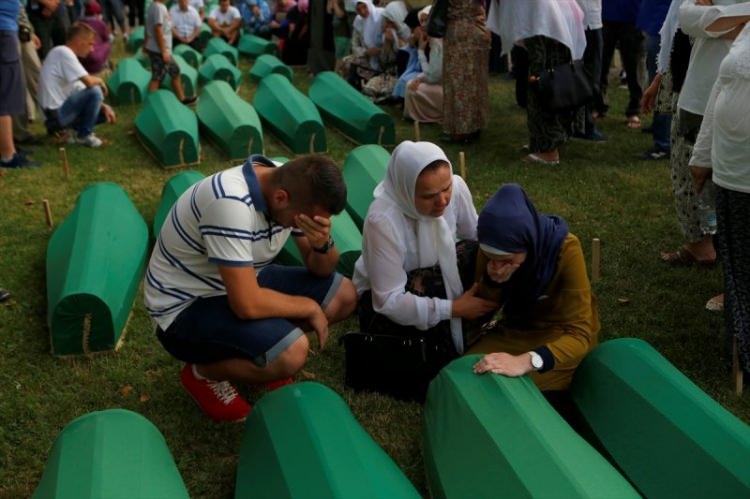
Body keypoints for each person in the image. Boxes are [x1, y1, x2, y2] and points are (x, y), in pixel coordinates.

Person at [145, 154, 358, 422]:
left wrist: (322, 243)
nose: (302, 228)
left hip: (244, 277)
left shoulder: (290, 184)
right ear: (281, 198)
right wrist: (308, 306)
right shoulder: (229, 203)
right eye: (302, 222)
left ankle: (264, 353)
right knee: (292, 353)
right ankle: (203, 374)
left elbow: (321, 269)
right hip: (184, 307)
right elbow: (246, 304)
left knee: (344, 296)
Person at [352, 141, 497, 398]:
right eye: (428, 196)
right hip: (391, 295)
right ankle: (459, 325)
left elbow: (475, 236)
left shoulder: (458, 188)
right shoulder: (383, 220)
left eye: (446, 188)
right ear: (406, 190)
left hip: (438, 274)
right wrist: (453, 308)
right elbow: (389, 300)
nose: (442, 201)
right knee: (429, 359)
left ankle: (467, 324)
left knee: (486, 256)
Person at [471, 184, 599, 392]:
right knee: (471, 369)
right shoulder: (491, 248)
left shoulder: (566, 250)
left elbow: (579, 333)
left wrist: (526, 361)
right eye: (491, 258)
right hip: (517, 328)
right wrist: (494, 282)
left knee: (512, 386)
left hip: (560, 336)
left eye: (506, 260)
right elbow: (483, 308)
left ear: (527, 243)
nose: (496, 265)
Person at [660, 0, 747, 267]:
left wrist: (714, 19)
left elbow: (703, 22)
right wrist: (741, 21)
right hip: (696, 95)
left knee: (734, 185)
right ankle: (700, 245)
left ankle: (731, 259)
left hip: (737, 98)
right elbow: (686, 18)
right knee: (688, 176)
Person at [689, 13, 750, 379]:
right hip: (733, 171)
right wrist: (701, 154)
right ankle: (743, 349)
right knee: (740, 265)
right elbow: (721, 87)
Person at [489, 0, 586, 164]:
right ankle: (540, 142)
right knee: (545, 91)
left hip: (549, 45)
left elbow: (537, 32)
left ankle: (549, 151)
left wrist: (537, 72)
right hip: (555, 40)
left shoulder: (529, 4)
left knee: (543, 94)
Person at [38, 22, 116, 148]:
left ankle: (70, 133)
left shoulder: (64, 55)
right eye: (90, 44)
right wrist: (100, 81)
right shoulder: (64, 53)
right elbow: (89, 83)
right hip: (54, 116)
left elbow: (79, 88)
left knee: (103, 113)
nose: (92, 49)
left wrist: (103, 106)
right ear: (80, 42)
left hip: (56, 117)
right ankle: (84, 135)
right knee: (96, 90)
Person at [442, 0, 490, 144]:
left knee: (459, 82)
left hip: (459, 34)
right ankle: (475, 126)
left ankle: (462, 130)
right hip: (477, 30)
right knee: (476, 81)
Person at [596, 0, 644, 129]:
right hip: (605, 16)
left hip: (632, 17)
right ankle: (599, 105)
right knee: (601, 65)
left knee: (633, 67)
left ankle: (634, 110)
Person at [1, 0, 37, 168]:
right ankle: (8, 155)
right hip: (3, 28)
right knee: (6, 95)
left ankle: (8, 148)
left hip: (7, 26)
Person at [144, 0, 196, 104]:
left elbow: (147, 26)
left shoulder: (154, 6)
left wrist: (145, 42)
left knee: (172, 71)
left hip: (158, 48)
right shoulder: (158, 7)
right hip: (158, 50)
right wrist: (164, 51)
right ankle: (150, 104)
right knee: (158, 77)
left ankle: (182, 98)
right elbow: (157, 29)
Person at [573, 0, 606, 142]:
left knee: (588, 78)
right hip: (582, 22)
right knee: (585, 78)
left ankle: (583, 124)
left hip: (590, 22)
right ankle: (583, 125)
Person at [404, 5, 443, 123]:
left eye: (427, 19)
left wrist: (420, 51)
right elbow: (432, 72)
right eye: (422, 21)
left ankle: (429, 115)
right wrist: (419, 78)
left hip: (447, 90)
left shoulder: (438, 43)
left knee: (412, 87)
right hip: (440, 83)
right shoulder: (433, 40)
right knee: (411, 82)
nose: (424, 24)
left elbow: (433, 77)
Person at [337, 0, 384, 89]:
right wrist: (366, 52)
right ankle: (351, 88)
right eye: (358, 9)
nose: (362, 12)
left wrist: (380, 50)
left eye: (364, 7)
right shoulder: (358, 20)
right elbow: (354, 44)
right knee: (346, 62)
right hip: (367, 57)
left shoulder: (381, 15)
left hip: (383, 59)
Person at [79, 1, 112, 75]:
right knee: (108, 44)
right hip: (96, 61)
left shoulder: (79, 23)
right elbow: (107, 39)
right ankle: (105, 65)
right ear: (96, 14)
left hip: (82, 61)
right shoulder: (100, 24)